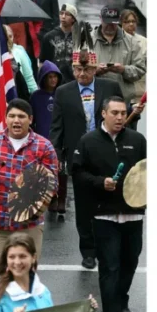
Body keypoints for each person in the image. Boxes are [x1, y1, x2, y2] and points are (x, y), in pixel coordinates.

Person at [0, 99, 59, 299]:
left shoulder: (44, 146)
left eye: (21, 116)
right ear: (5, 119)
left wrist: (34, 192)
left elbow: (53, 184)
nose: (16, 120)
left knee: (25, 278)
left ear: (30, 120)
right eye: (12, 116)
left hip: (28, 226)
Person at [72, 97, 146, 312]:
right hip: (103, 215)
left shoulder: (137, 140)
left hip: (133, 215)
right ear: (103, 114)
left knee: (129, 264)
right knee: (110, 268)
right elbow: (78, 172)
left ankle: (121, 301)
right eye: (114, 112)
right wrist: (100, 182)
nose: (120, 117)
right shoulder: (88, 141)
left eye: (123, 113)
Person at [49, 50, 123, 267]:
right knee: (84, 206)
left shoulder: (110, 87)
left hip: (107, 152)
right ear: (73, 69)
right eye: (78, 69)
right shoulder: (63, 92)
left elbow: (121, 115)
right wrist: (56, 155)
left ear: (95, 68)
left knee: (108, 202)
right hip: (78, 155)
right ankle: (88, 251)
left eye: (87, 69)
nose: (82, 73)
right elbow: (57, 127)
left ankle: (107, 247)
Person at [0, 233, 53, 312]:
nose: (17, 262)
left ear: (33, 258)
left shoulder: (43, 291)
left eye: (22, 256)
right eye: (12, 257)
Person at [92, 6, 147, 105]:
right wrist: (95, 70)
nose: (110, 25)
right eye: (107, 22)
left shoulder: (132, 42)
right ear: (100, 19)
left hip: (123, 101)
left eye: (113, 23)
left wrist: (123, 70)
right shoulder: (87, 40)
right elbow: (76, 68)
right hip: (94, 99)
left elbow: (140, 69)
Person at [39, 4, 80, 83]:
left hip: (74, 80)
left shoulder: (80, 38)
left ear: (73, 19)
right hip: (54, 80)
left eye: (67, 14)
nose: (63, 16)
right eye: (61, 13)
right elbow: (42, 62)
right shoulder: (49, 37)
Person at [29, 61, 62, 140]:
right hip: (41, 137)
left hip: (58, 137)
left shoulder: (62, 94)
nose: (53, 79)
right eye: (50, 77)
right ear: (44, 78)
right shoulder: (35, 96)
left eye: (55, 76)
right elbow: (31, 119)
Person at [120, 8, 146, 105]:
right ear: (121, 23)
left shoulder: (143, 41)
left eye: (133, 21)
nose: (131, 24)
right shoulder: (117, 41)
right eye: (127, 22)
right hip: (122, 88)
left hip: (138, 89)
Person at [4, 25, 38, 97]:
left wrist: (36, 97)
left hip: (19, 94)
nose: (9, 40)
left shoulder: (19, 51)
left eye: (10, 36)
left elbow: (29, 78)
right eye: (6, 37)